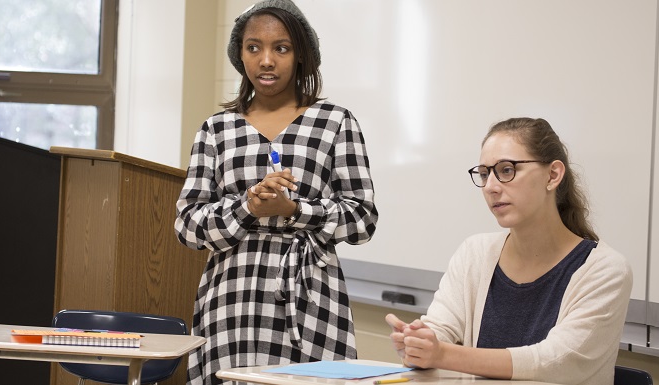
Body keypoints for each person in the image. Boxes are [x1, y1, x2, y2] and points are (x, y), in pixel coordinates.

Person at [174, 1, 379, 384]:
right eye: (254, 48)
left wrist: (295, 210)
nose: (266, 60)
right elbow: (187, 226)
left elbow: (363, 219)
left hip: (311, 296)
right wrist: (247, 206)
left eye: (280, 48)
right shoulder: (216, 129)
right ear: (240, 54)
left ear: (301, 55)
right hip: (232, 298)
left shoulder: (335, 121)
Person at [385, 118, 632, 385]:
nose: (491, 186)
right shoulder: (474, 253)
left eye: (506, 170)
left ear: (553, 175)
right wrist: (418, 344)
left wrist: (441, 354)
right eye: (483, 174)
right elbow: (439, 330)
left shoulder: (606, 269)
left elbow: (556, 361)